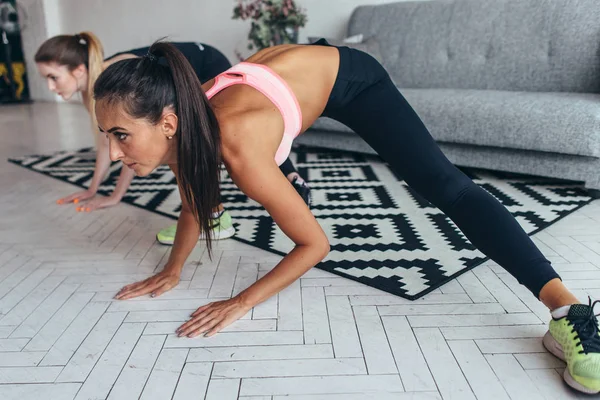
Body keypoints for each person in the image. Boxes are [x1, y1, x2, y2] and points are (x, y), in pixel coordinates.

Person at [93, 39, 600, 394]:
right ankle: (289, 174)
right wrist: (172, 270)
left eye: (120, 135)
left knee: (445, 187)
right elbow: (191, 202)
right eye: (106, 136)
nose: (113, 154)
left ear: (167, 122)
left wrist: (241, 301)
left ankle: (567, 311)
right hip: (278, 82)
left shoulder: (237, 145)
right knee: (258, 169)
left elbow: (315, 245)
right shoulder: (185, 134)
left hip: (350, 77)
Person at [33, 32, 312, 244]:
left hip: (206, 64)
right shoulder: (99, 88)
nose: (50, 86)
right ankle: (291, 179)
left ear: (78, 71)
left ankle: (215, 217)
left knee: (208, 138)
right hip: (190, 66)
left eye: (53, 77)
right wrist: (95, 190)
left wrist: (115, 195)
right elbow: (109, 145)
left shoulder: (115, 81)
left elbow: (133, 143)